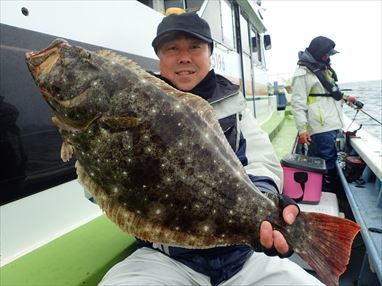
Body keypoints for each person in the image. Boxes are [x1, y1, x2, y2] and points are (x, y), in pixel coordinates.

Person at [100, 12, 323, 286]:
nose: (184, 57)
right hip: (167, 257)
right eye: (172, 48)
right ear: (159, 57)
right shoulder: (131, 107)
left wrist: (269, 208)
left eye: (195, 47)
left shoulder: (235, 107)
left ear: (209, 54)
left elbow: (261, 163)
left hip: (242, 256)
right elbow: (104, 184)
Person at [291, 36, 356, 191]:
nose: (328, 57)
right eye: (326, 54)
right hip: (321, 127)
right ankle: (330, 193)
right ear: (318, 52)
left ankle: (316, 191)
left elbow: (331, 94)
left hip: (332, 124)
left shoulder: (322, 70)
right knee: (327, 161)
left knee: (318, 160)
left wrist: (347, 99)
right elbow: (297, 103)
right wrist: (302, 129)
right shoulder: (303, 73)